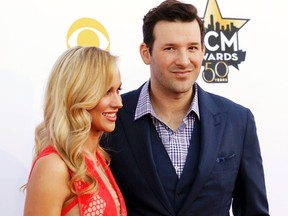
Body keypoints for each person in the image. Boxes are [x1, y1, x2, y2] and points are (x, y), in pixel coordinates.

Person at [101, 0, 269, 215]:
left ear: (203, 51)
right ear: (146, 53)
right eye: (170, 48)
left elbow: (253, 210)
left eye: (192, 48)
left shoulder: (238, 120)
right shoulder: (112, 118)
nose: (183, 60)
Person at [23, 46, 127, 216]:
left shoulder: (97, 157)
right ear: (79, 95)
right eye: (107, 92)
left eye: (118, 90)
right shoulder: (54, 166)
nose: (119, 102)